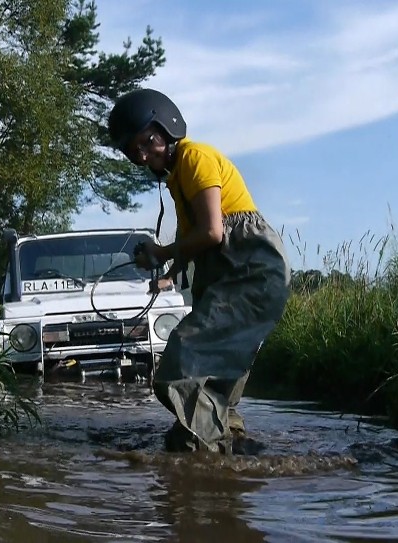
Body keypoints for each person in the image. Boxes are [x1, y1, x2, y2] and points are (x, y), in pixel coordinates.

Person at [108, 88, 291, 454]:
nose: (144, 155)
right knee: (215, 382)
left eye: (149, 141)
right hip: (232, 274)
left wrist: (161, 251)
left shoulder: (195, 157)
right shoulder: (178, 175)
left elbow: (212, 232)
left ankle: (214, 455)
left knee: (181, 363)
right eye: (134, 151)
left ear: (166, 127)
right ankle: (227, 458)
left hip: (249, 272)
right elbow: (194, 239)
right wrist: (171, 272)